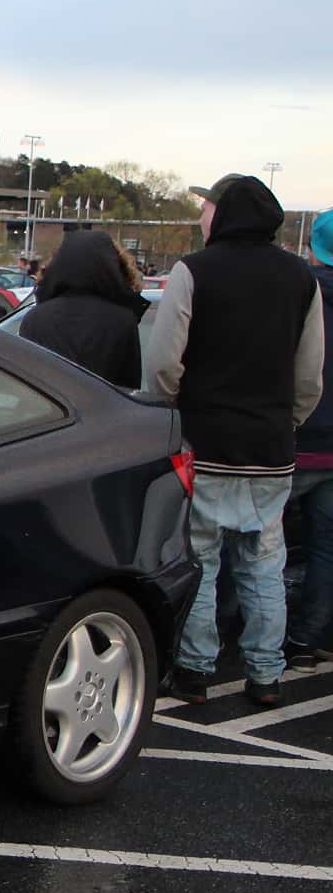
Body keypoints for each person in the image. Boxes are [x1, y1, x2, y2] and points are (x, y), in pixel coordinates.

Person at [147, 174, 325, 707]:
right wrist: (286, 421)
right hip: (272, 448)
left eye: (207, 207)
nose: (203, 215)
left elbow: (161, 364)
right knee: (264, 563)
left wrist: (175, 414)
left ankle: (196, 669)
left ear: (222, 215)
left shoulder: (193, 272)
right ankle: (266, 673)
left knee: (200, 561)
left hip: (205, 444)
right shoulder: (301, 278)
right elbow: (310, 373)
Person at [16, 229, 146, 388]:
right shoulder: (123, 321)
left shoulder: (35, 318)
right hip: (103, 409)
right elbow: (130, 388)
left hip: (49, 411)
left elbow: (23, 384)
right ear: (113, 268)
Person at [288, 209, 333, 666]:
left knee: (258, 545)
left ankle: (235, 637)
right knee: (326, 549)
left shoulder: (299, 294)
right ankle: (307, 639)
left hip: (298, 439)